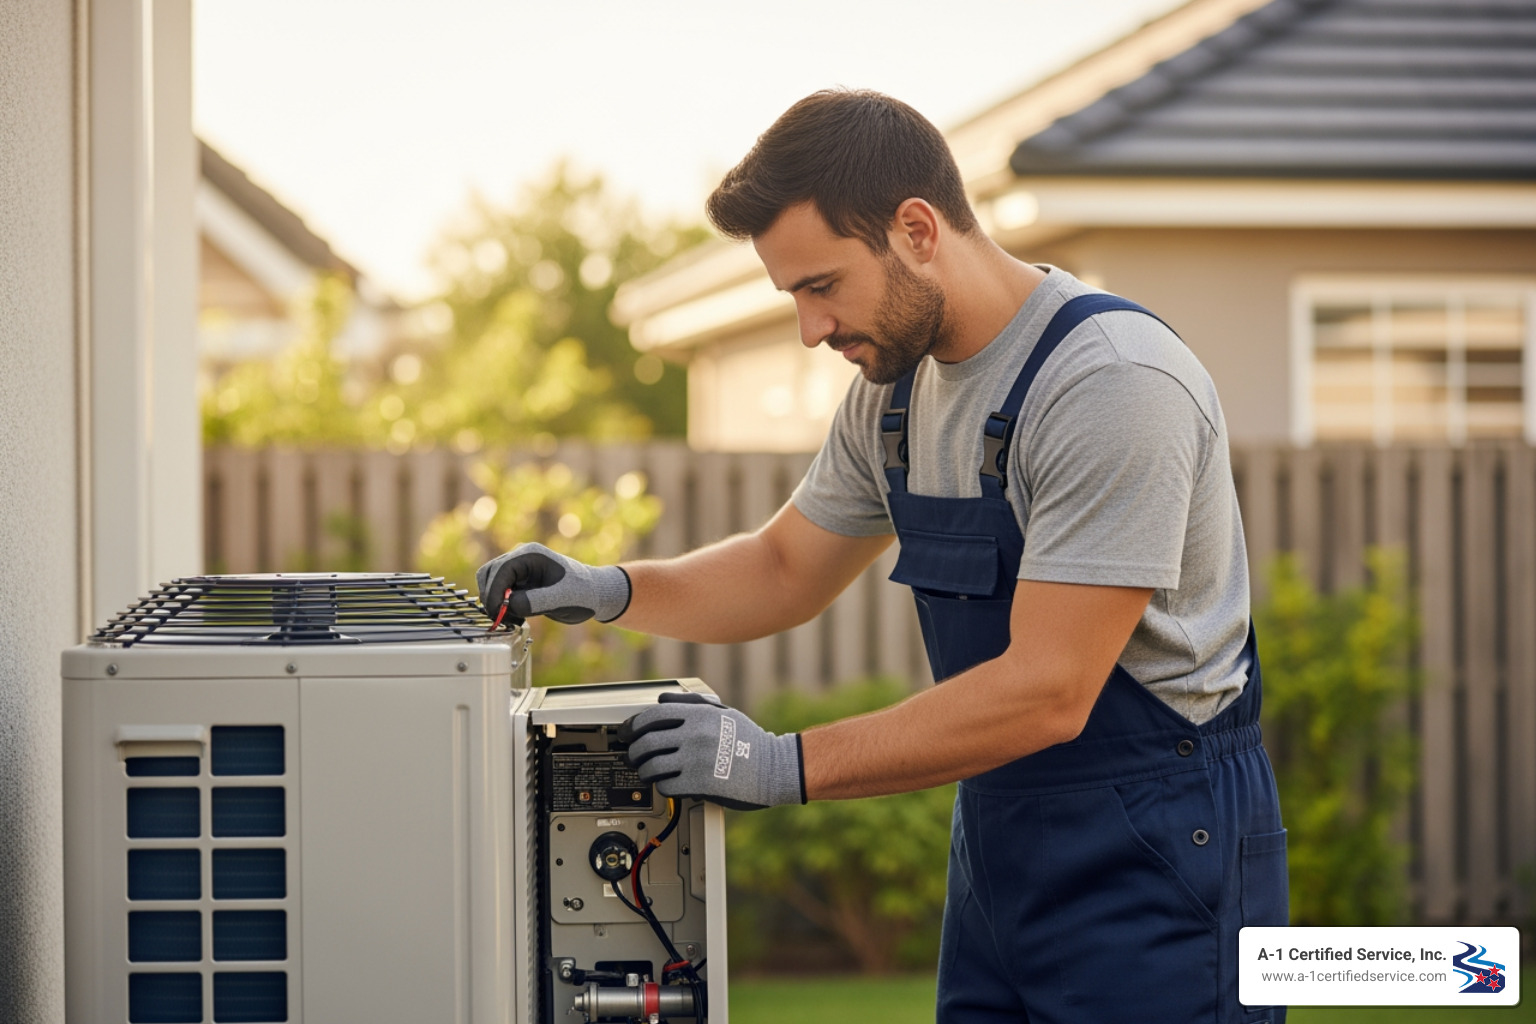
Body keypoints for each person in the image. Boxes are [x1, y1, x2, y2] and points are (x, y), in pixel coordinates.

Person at [477, 88, 1288, 1024]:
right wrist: (606, 589)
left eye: (821, 285)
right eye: (793, 296)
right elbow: (785, 568)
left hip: (1159, 853)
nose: (810, 329)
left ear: (916, 229)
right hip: (1001, 846)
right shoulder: (894, 394)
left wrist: (776, 765)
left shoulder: (1107, 382)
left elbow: (1050, 690)